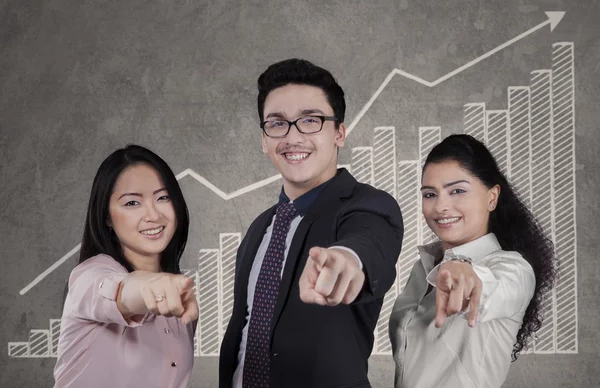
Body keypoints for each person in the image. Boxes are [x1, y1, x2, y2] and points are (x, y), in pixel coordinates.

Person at [219, 59, 404, 388]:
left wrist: (346, 260)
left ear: (339, 133)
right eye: (277, 124)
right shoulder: (260, 229)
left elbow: (367, 242)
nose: (293, 137)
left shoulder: (369, 206)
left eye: (310, 121)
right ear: (264, 140)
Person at [389, 134, 556, 388]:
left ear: (492, 197)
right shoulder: (422, 267)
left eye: (457, 191)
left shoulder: (515, 269)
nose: (441, 206)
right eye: (430, 194)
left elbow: (486, 285)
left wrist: (463, 270)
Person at [54, 144, 198, 388]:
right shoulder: (89, 275)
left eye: (163, 197)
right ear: (107, 217)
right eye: (132, 203)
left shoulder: (178, 294)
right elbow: (120, 291)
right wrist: (153, 285)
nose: (153, 215)